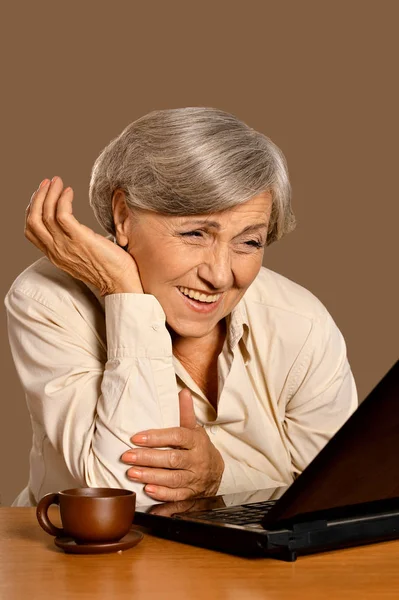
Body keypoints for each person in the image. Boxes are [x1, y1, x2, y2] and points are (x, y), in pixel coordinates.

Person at [4, 107, 358, 507]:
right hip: (80, 561)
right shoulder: (48, 299)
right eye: (195, 233)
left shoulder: (301, 323)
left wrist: (219, 474)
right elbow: (125, 494)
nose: (221, 276)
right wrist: (124, 295)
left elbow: (340, 492)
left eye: (249, 242)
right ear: (123, 216)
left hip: (253, 566)